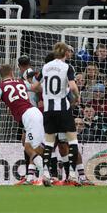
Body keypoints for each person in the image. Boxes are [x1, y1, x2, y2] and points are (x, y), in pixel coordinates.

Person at [0, 64, 46, 185]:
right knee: (27, 145)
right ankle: (30, 178)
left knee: (32, 148)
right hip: (33, 113)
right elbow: (35, 88)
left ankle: (44, 174)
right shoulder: (21, 82)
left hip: (29, 116)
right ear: (12, 73)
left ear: (1, 76)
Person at [32, 42, 84, 187]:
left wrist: (46, 92)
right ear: (66, 53)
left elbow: (34, 86)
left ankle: (46, 174)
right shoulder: (67, 67)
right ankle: (73, 175)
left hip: (48, 111)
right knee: (72, 141)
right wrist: (77, 96)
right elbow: (73, 86)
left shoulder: (46, 67)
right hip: (63, 109)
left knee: (49, 143)